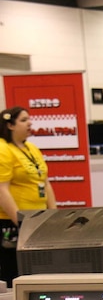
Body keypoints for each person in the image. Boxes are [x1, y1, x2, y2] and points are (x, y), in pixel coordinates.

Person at [0, 106, 57, 287]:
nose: (30, 123)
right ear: (10, 125)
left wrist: (54, 215)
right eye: (24, 120)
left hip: (38, 219)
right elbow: (2, 189)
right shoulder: (3, 149)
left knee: (38, 270)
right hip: (12, 223)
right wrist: (20, 221)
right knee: (14, 273)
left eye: (29, 119)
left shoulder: (31, 148)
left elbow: (45, 182)